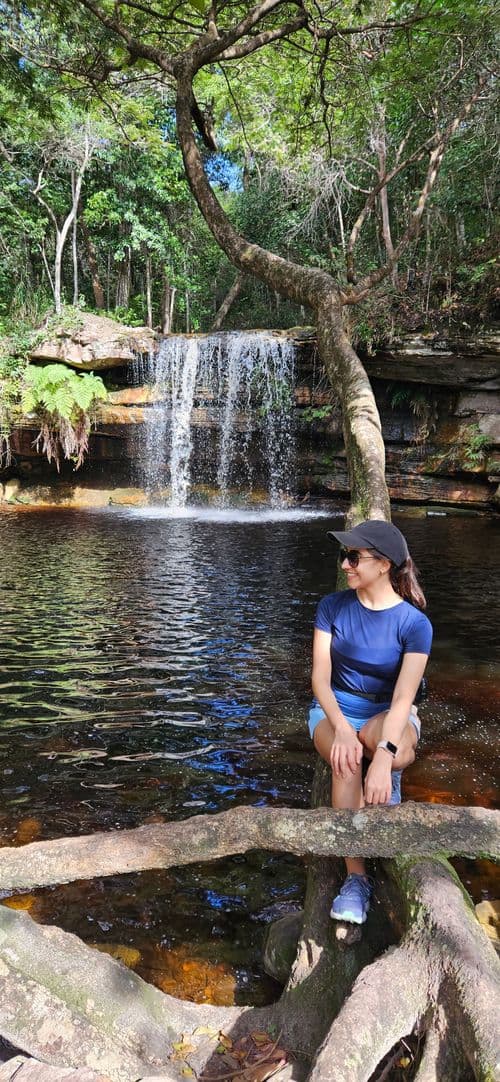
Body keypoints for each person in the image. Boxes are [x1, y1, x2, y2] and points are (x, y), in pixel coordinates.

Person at [309, 519, 432, 925]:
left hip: (387, 712)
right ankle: (356, 878)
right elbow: (319, 679)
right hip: (335, 710)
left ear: (383, 566)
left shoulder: (415, 625)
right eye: (345, 555)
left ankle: (385, 783)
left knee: (390, 755)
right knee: (346, 759)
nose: (345, 564)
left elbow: (403, 698)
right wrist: (341, 727)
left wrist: (382, 757)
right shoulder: (331, 607)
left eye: (353, 556)